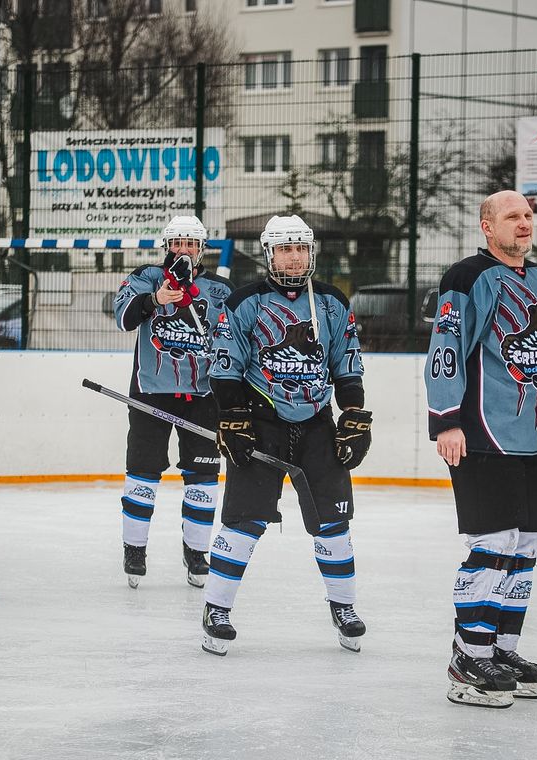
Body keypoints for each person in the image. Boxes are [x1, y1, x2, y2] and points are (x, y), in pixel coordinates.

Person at [425, 190, 537, 708]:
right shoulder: (467, 277)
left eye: (527, 215)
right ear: (486, 226)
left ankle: (502, 648)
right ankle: (467, 657)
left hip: (529, 439)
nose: (524, 224)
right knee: (493, 542)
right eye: (511, 217)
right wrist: (446, 421)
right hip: (479, 435)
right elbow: (446, 349)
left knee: (525, 546)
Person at [201, 214, 372, 656]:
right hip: (262, 424)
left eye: (300, 248)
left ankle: (344, 607)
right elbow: (225, 368)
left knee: (333, 523)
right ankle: (216, 609)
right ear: (269, 253)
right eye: (285, 249)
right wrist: (233, 418)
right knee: (245, 521)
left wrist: (352, 414)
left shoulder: (333, 303)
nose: (294, 257)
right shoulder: (245, 302)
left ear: (310, 252)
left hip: (317, 424)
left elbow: (346, 364)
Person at [111, 216, 233, 588]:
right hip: (151, 393)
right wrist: (154, 300)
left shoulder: (220, 290)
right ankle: (134, 549)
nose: (184, 250)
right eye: (177, 243)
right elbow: (122, 319)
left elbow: (235, 341)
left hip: (203, 398)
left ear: (201, 249)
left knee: (203, 480)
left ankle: (196, 553)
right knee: (143, 473)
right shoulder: (146, 277)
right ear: (167, 247)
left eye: (191, 244)